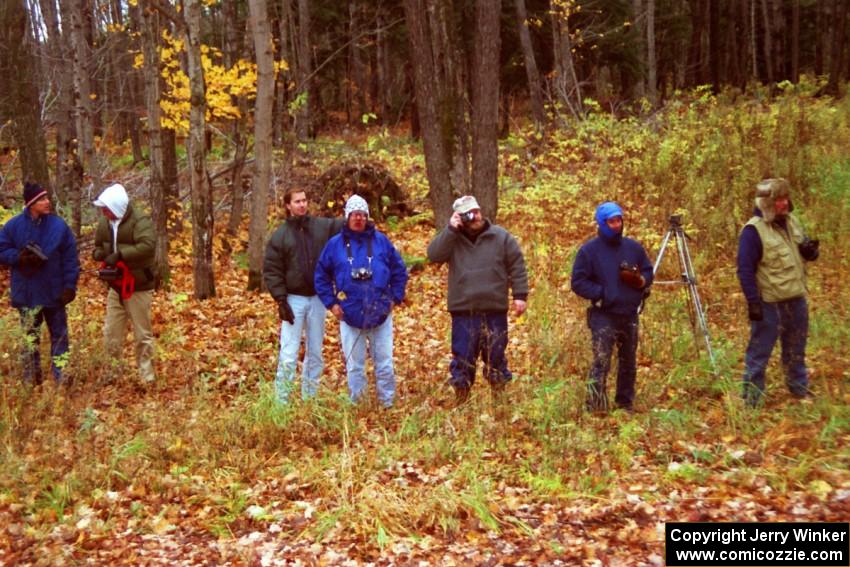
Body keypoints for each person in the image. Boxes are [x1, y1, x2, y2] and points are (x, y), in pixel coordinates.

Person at [426, 195, 529, 405]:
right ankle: (462, 401)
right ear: (461, 217)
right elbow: (434, 255)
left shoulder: (501, 237)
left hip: (494, 309)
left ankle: (500, 402)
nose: (475, 217)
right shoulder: (452, 239)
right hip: (463, 310)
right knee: (463, 358)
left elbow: (517, 265)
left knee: (496, 356)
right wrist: (451, 230)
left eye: (476, 211)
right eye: (469, 214)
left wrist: (520, 295)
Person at [315, 195, 408, 408]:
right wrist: (332, 304)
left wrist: (395, 297)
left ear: (367, 216)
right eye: (354, 214)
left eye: (362, 214)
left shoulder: (381, 241)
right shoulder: (334, 245)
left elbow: (399, 270)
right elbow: (321, 275)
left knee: (384, 363)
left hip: (380, 312)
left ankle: (388, 404)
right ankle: (359, 405)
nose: (358, 218)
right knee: (355, 366)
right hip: (349, 313)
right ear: (347, 217)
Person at [737, 178, 818, 406]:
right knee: (759, 352)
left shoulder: (792, 222)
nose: (784, 204)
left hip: (795, 299)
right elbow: (744, 270)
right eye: (778, 200)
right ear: (767, 203)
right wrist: (753, 302)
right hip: (769, 303)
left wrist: (810, 252)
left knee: (796, 348)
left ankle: (799, 389)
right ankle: (752, 399)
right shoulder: (753, 231)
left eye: (785, 199)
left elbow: (804, 249)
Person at [571, 202, 653, 413]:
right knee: (601, 361)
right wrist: (601, 293)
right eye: (611, 221)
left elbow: (648, 271)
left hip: (629, 314)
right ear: (601, 223)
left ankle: (625, 404)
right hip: (603, 315)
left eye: (619, 220)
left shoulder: (633, 248)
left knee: (629, 362)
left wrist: (641, 281)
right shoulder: (589, 251)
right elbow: (578, 282)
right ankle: (595, 405)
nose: (616, 225)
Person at [263, 188, 343, 402]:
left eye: (304, 200)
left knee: (315, 352)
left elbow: (341, 225)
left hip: (317, 298)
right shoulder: (280, 236)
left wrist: (359, 219)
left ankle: (310, 399)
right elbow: (272, 269)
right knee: (289, 354)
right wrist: (280, 299)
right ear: (288, 205)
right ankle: (282, 402)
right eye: (297, 201)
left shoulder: (319, 227)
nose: (302, 205)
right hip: (293, 299)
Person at [0, 182, 80, 384]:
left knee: (60, 338)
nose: (47, 202)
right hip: (26, 294)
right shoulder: (12, 226)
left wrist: (70, 286)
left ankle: (62, 378)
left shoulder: (59, 226)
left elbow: (71, 258)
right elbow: (1, 251)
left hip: (54, 293)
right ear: (31, 204)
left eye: (46, 198)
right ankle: (31, 380)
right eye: (42, 199)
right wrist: (19, 258)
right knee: (30, 340)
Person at [92, 183, 157, 383]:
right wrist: (100, 255)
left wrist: (121, 255)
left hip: (138, 286)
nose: (103, 212)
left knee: (142, 334)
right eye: (102, 208)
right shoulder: (104, 224)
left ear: (117, 206)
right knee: (111, 332)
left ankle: (147, 376)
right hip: (116, 286)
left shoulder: (140, 221)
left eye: (106, 208)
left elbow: (148, 245)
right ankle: (112, 374)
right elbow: (97, 247)